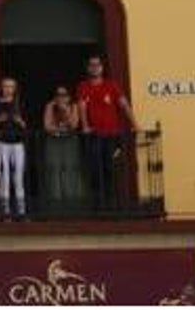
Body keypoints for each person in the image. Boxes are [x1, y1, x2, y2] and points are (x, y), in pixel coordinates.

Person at [77, 55, 137, 210]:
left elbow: (123, 104)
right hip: (95, 135)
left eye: (97, 65)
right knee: (95, 169)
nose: (95, 67)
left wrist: (135, 124)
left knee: (109, 168)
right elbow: (82, 107)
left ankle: (111, 204)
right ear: (88, 68)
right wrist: (85, 126)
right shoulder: (84, 86)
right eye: (92, 65)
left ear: (102, 68)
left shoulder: (111, 85)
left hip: (112, 135)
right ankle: (98, 204)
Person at [0, 76, 28, 218]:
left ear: (15, 89)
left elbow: (26, 125)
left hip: (17, 143)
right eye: (5, 86)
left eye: (11, 86)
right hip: (1, 142)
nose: (8, 89)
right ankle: (5, 211)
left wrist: (19, 120)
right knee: (3, 176)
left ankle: (21, 210)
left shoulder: (20, 104)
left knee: (18, 175)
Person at [41, 85, 85, 211]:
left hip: (69, 141)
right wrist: (59, 129)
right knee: (54, 168)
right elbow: (47, 126)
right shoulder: (49, 106)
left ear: (69, 97)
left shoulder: (74, 106)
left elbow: (74, 124)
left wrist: (66, 111)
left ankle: (72, 201)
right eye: (58, 95)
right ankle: (56, 202)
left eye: (64, 95)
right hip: (54, 142)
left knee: (70, 168)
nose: (61, 97)